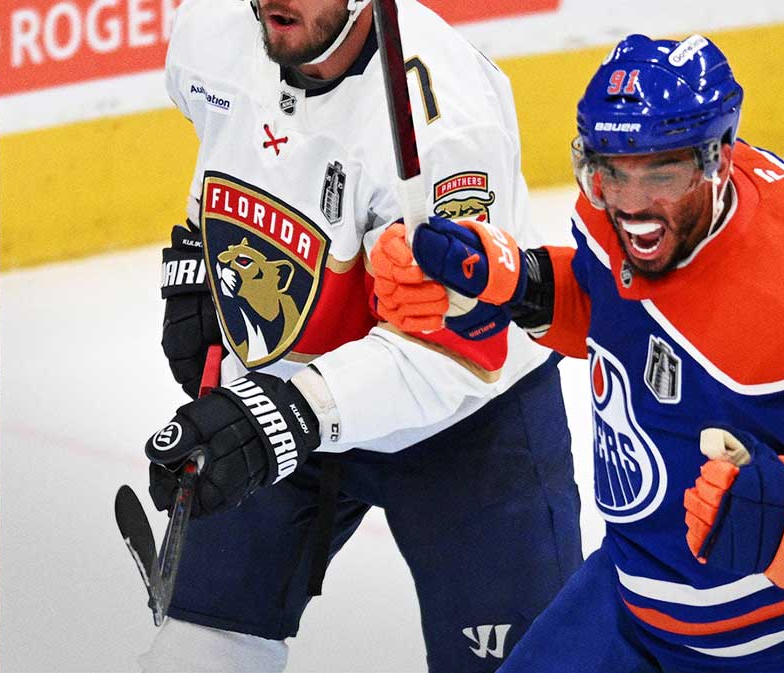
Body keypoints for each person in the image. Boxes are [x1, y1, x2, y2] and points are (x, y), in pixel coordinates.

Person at [375, 33, 784, 673]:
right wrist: (514, 282)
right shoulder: (612, 213)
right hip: (632, 600)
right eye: (610, 171)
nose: (632, 204)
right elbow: (619, 314)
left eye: (663, 173)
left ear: (720, 159)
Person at [138, 0, 583, 670]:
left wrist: (286, 415)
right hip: (288, 397)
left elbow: (455, 350)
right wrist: (198, 263)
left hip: (466, 429)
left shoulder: (441, 122)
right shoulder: (212, 30)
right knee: (195, 653)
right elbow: (227, 138)